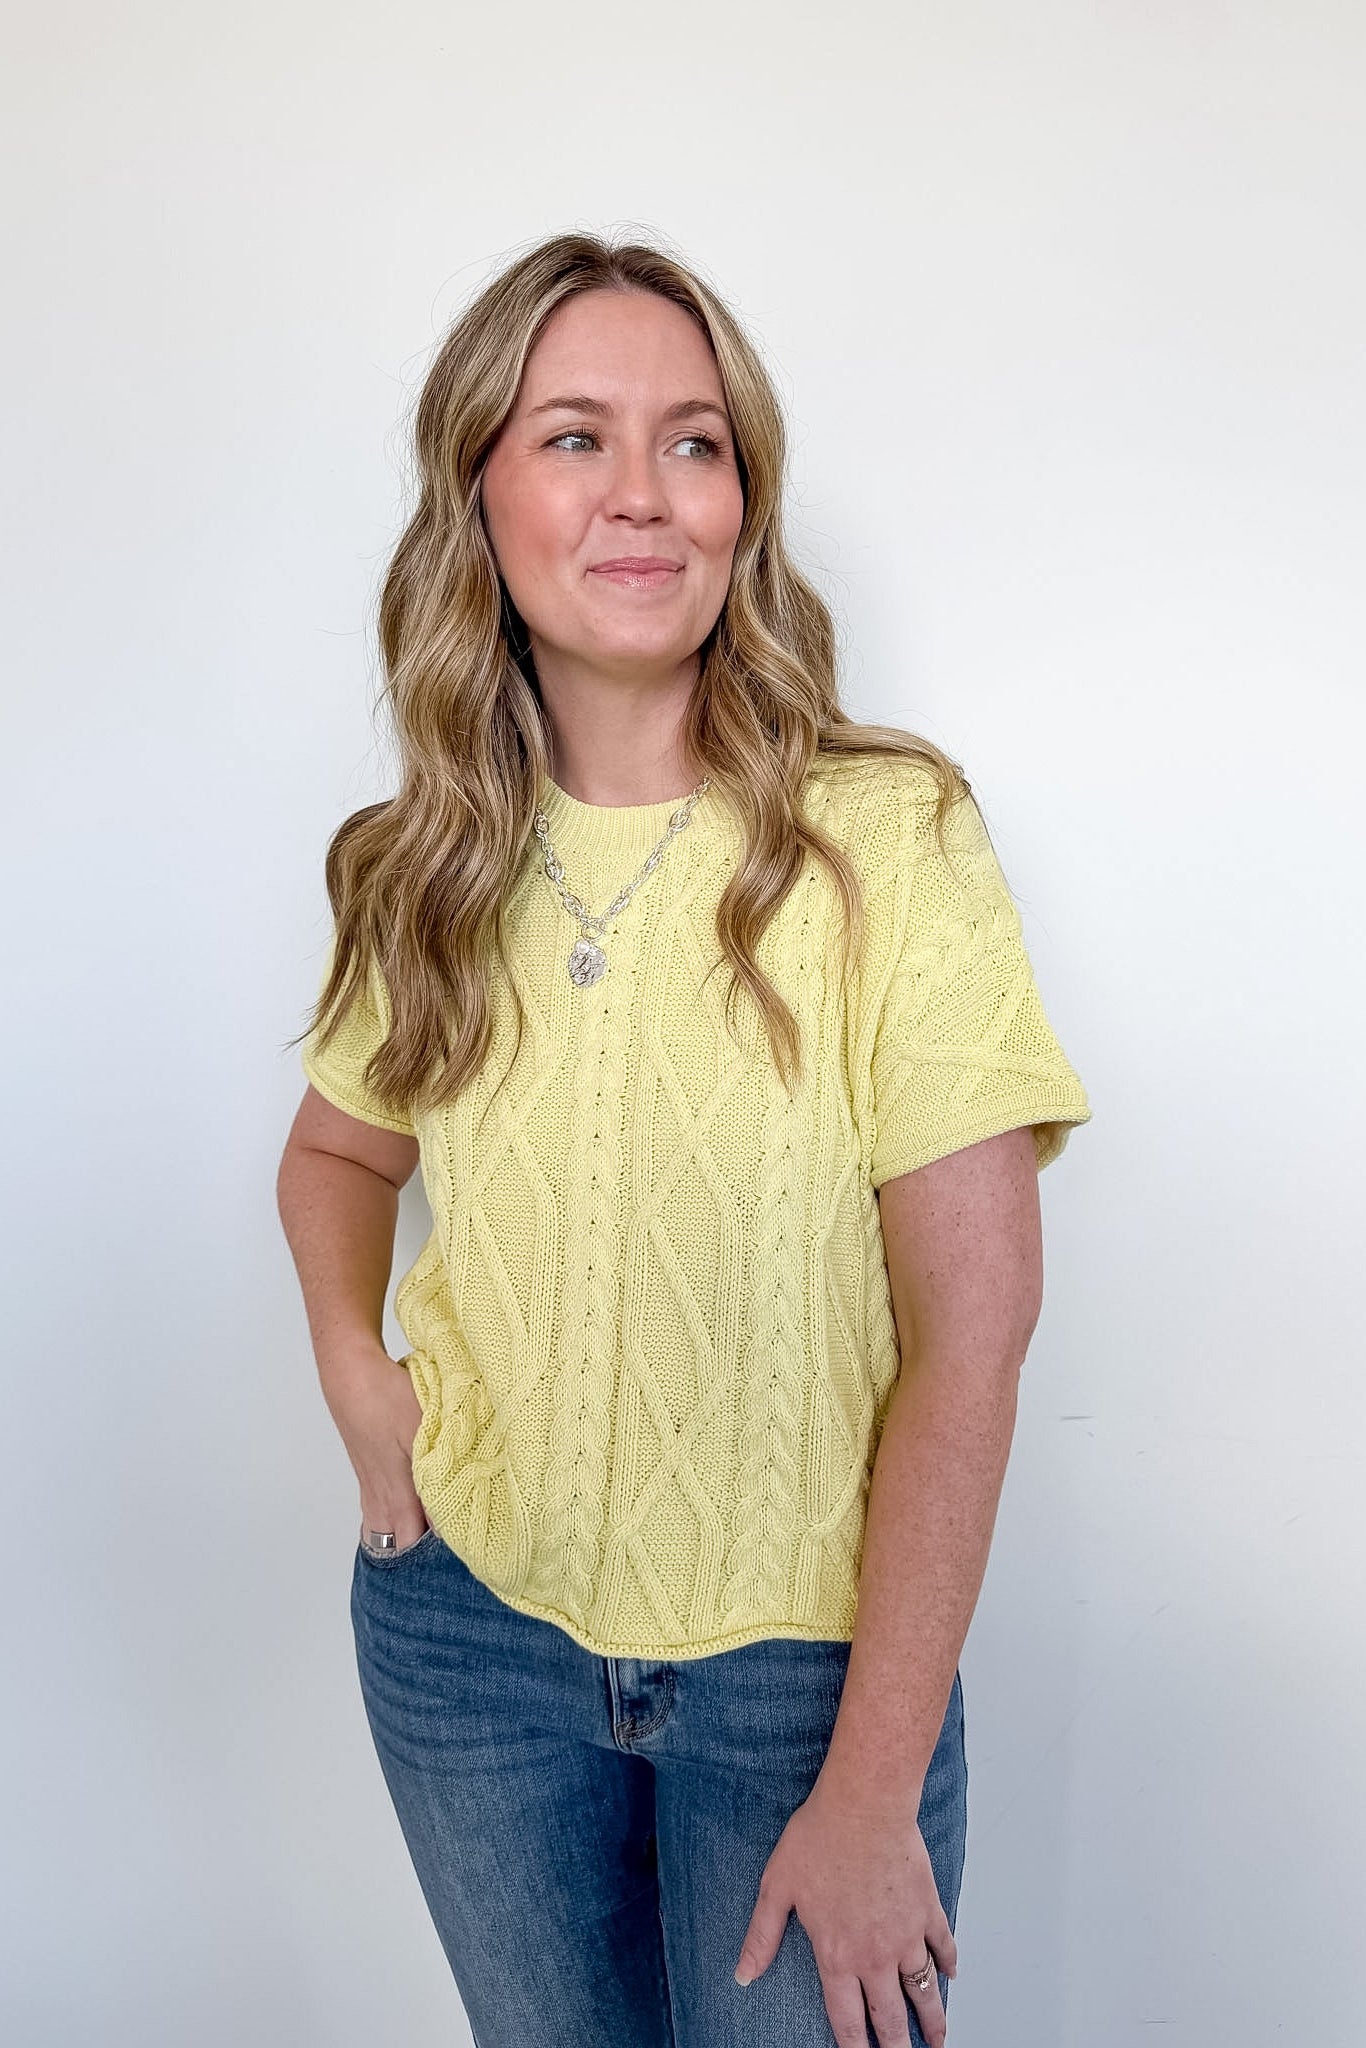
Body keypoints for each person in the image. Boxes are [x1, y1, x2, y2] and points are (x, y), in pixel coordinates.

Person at [277, 230, 1092, 2048]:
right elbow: (337, 1153)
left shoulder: (890, 838)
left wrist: (872, 1790)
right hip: (468, 1640)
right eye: (574, 437)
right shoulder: (422, 862)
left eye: (694, 441)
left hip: (807, 1686)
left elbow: (973, 1338)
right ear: (475, 497)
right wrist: (355, 1365)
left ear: (746, 499)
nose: (644, 495)